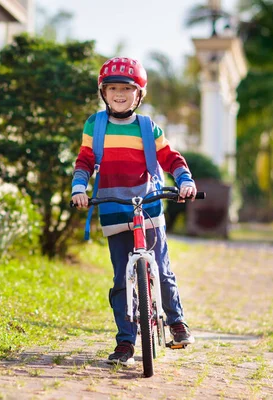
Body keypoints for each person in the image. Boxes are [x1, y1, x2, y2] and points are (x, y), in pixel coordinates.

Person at [71, 57, 197, 366]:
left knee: (163, 269)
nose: (119, 94)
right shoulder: (95, 124)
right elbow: (85, 160)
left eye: (126, 89)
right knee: (120, 279)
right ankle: (126, 341)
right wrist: (79, 189)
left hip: (148, 206)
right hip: (113, 208)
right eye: (112, 88)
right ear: (103, 92)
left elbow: (170, 157)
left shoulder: (147, 127)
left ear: (138, 94)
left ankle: (176, 322)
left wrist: (184, 180)